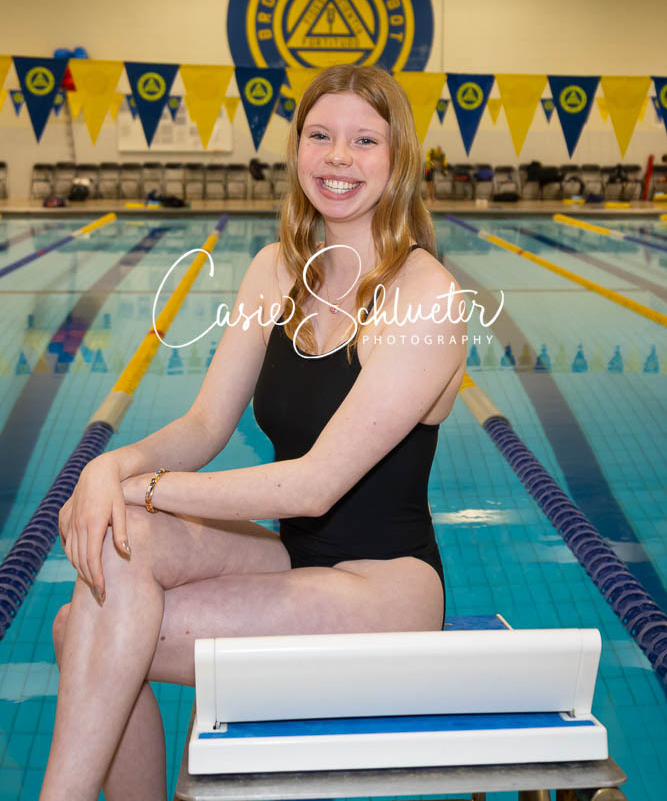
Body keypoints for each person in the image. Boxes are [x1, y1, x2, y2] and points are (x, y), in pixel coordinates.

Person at [41, 65, 466, 801]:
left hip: (384, 589)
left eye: (364, 140)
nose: (338, 157)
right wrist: (109, 469)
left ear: (397, 158)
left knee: (85, 627)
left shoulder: (427, 294)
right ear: (297, 149)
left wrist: (142, 488)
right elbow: (206, 422)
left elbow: (313, 485)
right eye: (320, 135)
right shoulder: (276, 271)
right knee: (119, 546)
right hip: (293, 558)